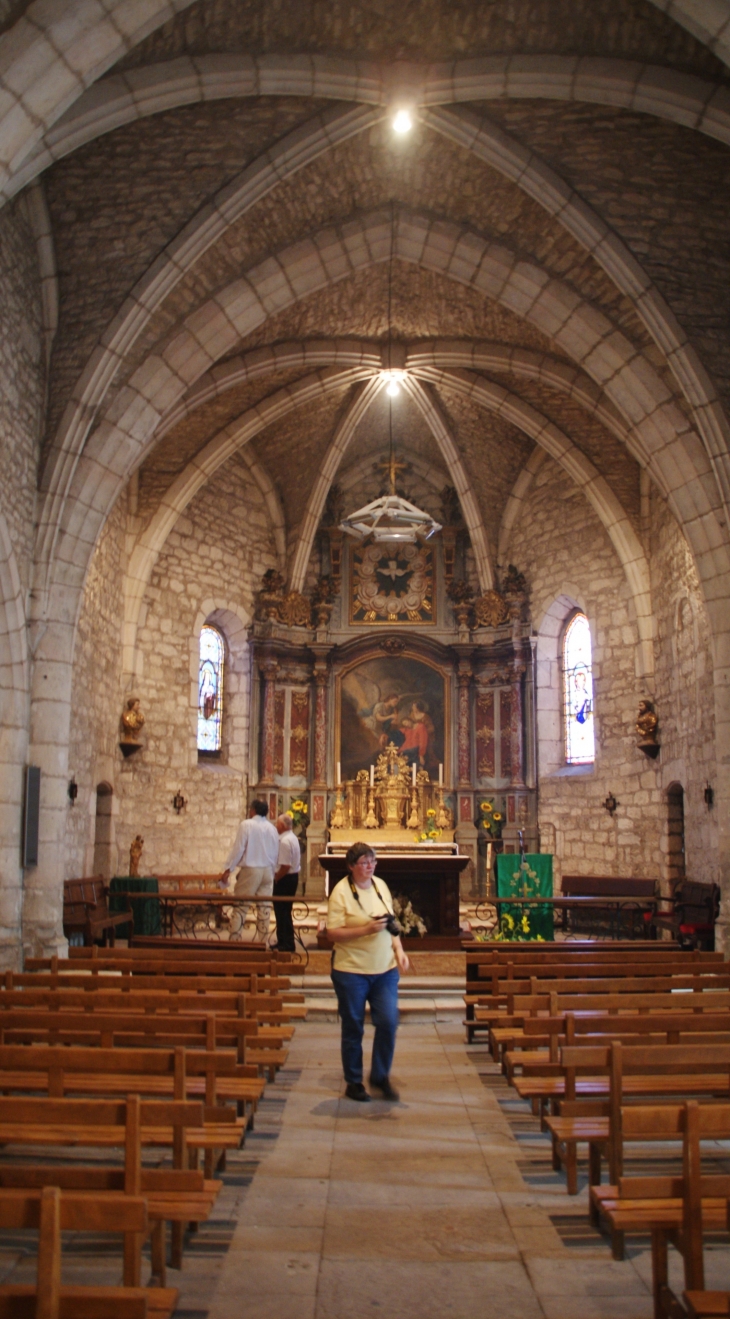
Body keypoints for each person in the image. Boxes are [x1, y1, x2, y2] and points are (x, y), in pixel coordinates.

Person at [326, 841, 410, 1103]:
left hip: (384, 969)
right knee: (353, 1027)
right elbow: (332, 933)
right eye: (364, 862)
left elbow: (390, 921)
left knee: (388, 1021)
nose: (370, 866)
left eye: (373, 861)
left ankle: (380, 1075)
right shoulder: (340, 893)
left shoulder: (380, 885)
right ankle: (353, 1081)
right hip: (351, 970)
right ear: (351, 866)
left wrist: (399, 949)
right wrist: (365, 930)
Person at [220, 799, 279, 942]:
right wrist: (273, 871)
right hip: (267, 871)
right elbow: (275, 851)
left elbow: (239, 849)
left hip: (252, 869)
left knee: (241, 906)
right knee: (264, 908)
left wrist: (228, 869)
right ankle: (263, 942)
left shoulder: (246, 825)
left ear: (253, 810)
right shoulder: (272, 828)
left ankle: (234, 941)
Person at [273, 813, 301, 952]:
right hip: (292, 878)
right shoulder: (292, 837)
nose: (275, 826)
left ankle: (287, 943)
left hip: (285, 879)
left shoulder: (284, 841)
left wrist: (277, 878)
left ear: (282, 826)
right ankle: (283, 941)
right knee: (284, 912)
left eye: (277, 823)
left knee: (282, 912)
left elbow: (285, 865)